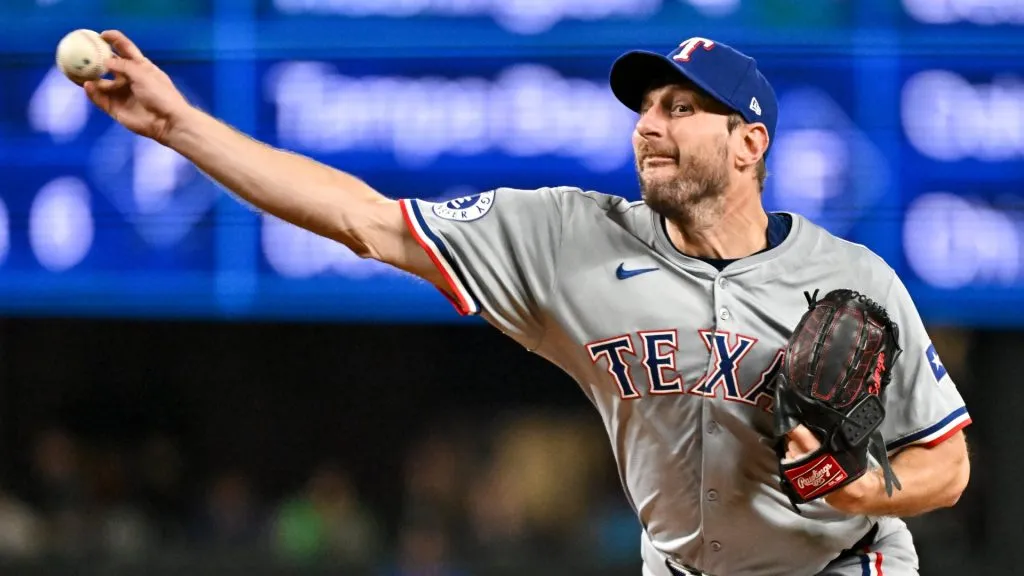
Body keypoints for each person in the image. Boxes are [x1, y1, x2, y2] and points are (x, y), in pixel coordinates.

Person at [82, 31, 972, 576]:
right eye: (644, 108)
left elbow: (949, 467)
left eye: (680, 107)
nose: (649, 125)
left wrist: (857, 489)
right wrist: (178, 125)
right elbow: (363, 220)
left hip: (841, 567)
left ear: (749, 143)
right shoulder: (569, 238)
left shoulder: (852, 279)